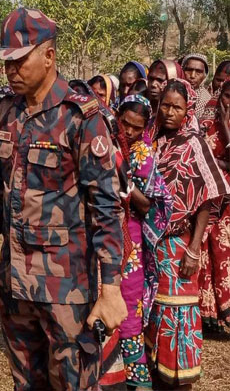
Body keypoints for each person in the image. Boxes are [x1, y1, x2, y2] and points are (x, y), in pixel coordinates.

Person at [0, 8, 127, 391]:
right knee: (26, 383)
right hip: (17, 286)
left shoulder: (82, 117)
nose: (10, 71)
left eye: (19, 61)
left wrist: (111, 289)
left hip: (67, 290)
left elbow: (105, 206)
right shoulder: (6, 112)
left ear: (49, 56)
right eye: (6, 63)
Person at [146, 79, 229, 389]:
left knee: (177, 313)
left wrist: (195, 249)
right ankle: (158, 375)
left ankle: (179, 380)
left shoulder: (194, 143)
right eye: (164, 105)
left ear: (187, 110)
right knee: (154, 313)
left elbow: (210, 194)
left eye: (176, 107)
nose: (168, 112)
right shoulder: (152, 141)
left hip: (180, 246)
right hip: (151, 243)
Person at [114, 95, 174, 389]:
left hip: (132, 239)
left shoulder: (142, 155)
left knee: (128, 307)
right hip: (105, 232)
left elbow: (149, 205)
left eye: (136, 128)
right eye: (125, 124)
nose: (129, 132)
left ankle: (136, 378)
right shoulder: (106, 144)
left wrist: (125, 186)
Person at [197, 79, 230, 335]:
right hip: (211, 197)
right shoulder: (206, 123)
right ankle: (211, 315)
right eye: (227, 96)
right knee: (208, 252)